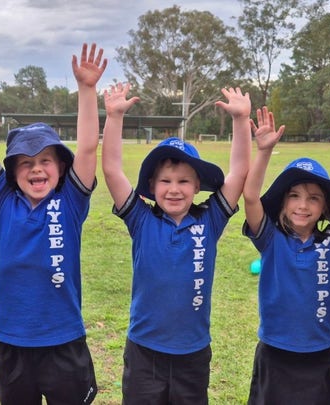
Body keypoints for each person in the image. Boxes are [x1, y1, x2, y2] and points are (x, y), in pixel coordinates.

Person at [0, 42, 106, 404]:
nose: (36, 168)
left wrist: (87, 90)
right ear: (13, 171)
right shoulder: (3, 201)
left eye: (46, 160)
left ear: (61, 167)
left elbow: (85, 149)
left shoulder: (71, 201)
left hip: (63, 340)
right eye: (25, 162)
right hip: (11, 341)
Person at [101, 83, 252, 404]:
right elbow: (112, 170)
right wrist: (113, 117)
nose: (174, 189)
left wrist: (241, 121)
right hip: (144, 352)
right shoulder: (141, 220)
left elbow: (238, 173)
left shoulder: (209, 220)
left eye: (183, 181)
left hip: (193, 353)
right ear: (152, 186)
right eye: (165, 181)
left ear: (198, 185)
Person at [241, 110, 330, 404]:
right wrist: (263, 151)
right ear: (283, 203)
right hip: (275, 353)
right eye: (295, 196)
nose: (303, 205)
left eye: (314, 197)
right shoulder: (270, 239)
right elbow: (250, 196)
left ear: (324, 207)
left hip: (320, 355)